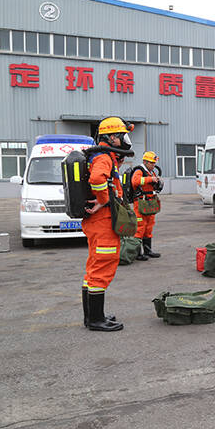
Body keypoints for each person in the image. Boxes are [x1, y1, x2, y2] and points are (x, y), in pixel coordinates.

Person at [81, 116, 131, 332]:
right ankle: (95, 320)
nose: (125, 140)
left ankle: (93, 315)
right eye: (122, 136)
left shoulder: (103, 155)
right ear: (112, 137)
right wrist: (103, 201)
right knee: (103, 265)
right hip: (103, 221)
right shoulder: (103, 157)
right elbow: (97, 180)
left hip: (96, 222)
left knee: (93, 267)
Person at [132, 151, 163, 260]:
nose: (154, 165)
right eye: (152, 163)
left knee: (149, 227)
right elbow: (135, 181)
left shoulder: (151, 172)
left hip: (150, 202)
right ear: (145, 162)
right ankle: (137, 253)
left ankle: (148, 250)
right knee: (140, 227)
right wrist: (150, 179)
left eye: (154, 163)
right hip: (141, 202)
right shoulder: (139, 170)